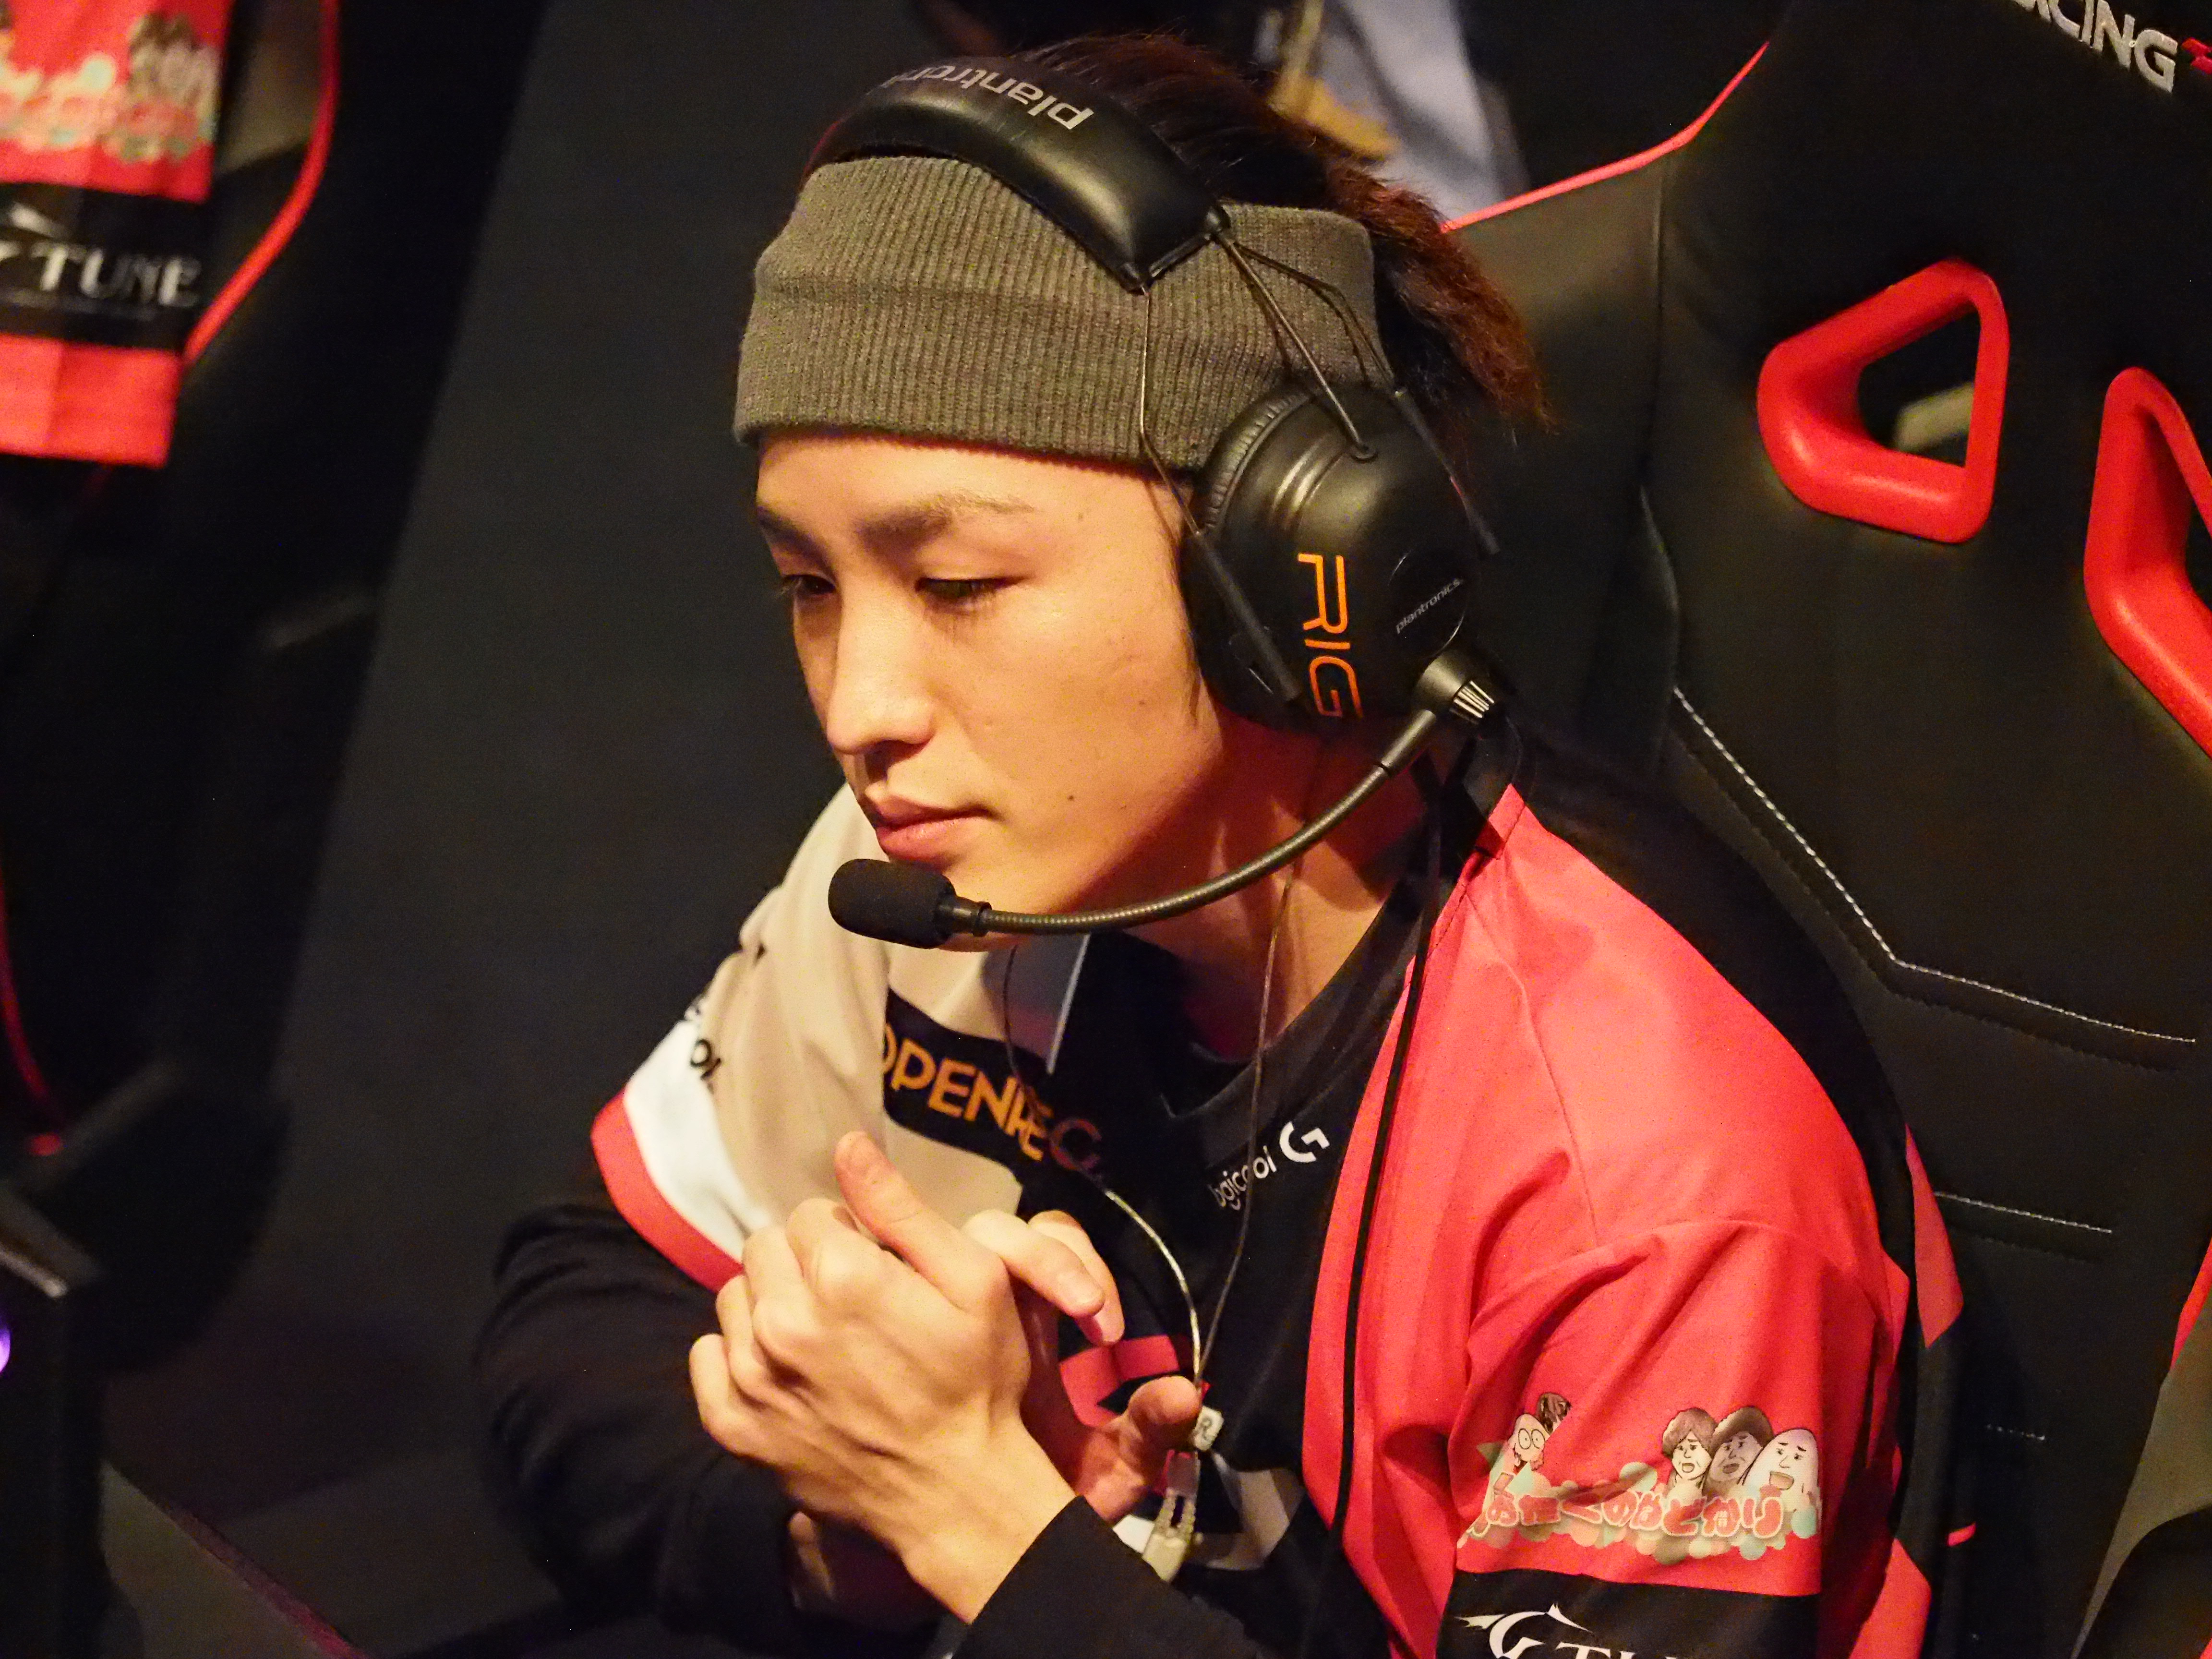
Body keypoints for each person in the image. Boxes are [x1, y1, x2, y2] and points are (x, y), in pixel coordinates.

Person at [475, 33, 1961, 1659]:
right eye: (810, 589)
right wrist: (865, 1539)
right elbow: (576, 1318)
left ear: (1293, 568)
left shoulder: (1648, 1180)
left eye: (958, 587)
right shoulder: (951, 873)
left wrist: (983, 1521)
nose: (861, 707)